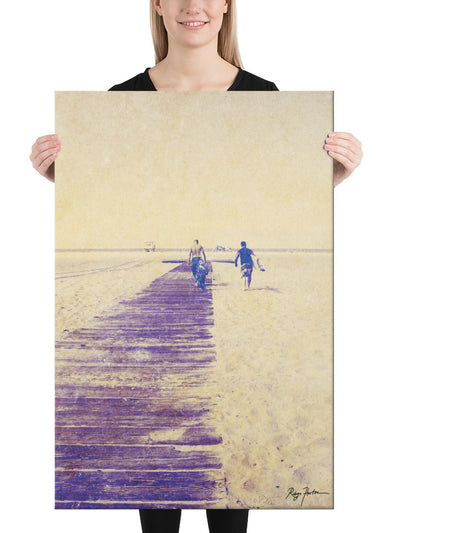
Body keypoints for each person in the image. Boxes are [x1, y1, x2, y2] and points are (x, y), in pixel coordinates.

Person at [29, 1, 363, 532]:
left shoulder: (263, 97)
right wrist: (63, 180)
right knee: (155, 469)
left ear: (227, 5)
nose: (193, 5)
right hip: (153, 345)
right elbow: (115, 197)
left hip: (209, 316)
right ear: (157, 4)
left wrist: (332, 179)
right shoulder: (119, 102)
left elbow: (274, 195)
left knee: (228, 516)